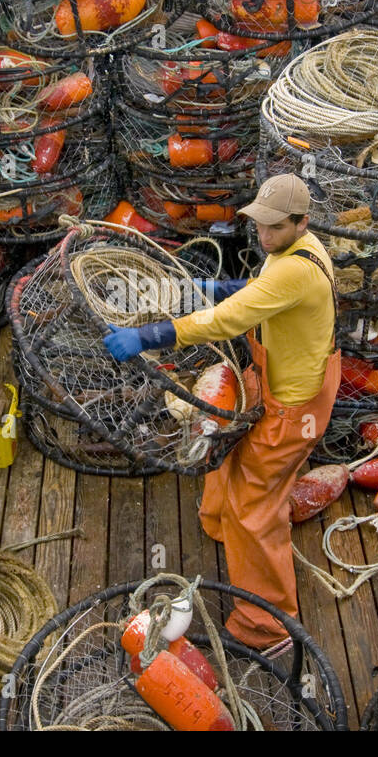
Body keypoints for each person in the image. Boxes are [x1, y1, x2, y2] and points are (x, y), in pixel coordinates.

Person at [103, 173, 341, 649]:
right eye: (260, 225)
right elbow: (254, 289)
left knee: (256, 507)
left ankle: (266, 625)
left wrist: (149, 336)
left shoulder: (298, 269)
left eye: (275, 228)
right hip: (269, 380)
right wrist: (208, 286)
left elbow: (229, 319)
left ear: (302, 222)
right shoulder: (294, 250)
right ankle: (217, 522)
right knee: (224, 446)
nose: (264, 236)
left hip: (294, 406)